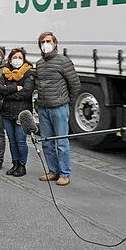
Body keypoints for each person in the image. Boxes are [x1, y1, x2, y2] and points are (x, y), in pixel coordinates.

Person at [36, 31, 81, 187]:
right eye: (42, 42)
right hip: (43, 108)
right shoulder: (39, 63)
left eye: (48, 41)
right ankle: (53, 171)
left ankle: (64, 174)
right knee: (47, 142)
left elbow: (75, 85)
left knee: (61, 142)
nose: (45, 44)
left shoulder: (64, 62)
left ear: (55, 43)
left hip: (59, 108)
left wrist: (68, 103)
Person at [0, 48, 35, 177]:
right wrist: (14, 88)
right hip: (7, 112)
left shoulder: (28, 74)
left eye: (19, 57)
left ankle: (22, 165)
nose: (17, 60)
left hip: (21, 113)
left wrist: (8, 94)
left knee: (20, 140)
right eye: (14, 57)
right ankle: (15, 164)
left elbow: (26, 93)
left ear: (24, 59)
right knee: (12, 140)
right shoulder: (5, 73)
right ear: (10, 60)